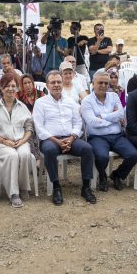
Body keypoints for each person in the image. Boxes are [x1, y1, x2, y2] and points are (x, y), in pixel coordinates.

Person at [33, 70, 96, 205]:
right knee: (49, 151)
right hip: (50, 140)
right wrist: (57, 141)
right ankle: (56, 187)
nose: (56, 85)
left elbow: (77, 122)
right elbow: (39, 127)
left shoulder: (70, 101)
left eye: (58, 82)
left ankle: (86, 187)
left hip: (70, 138)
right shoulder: (40, 103)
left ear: (62, 83)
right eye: (53, 82)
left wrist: (72, 138)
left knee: (87, 149)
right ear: (47, 85)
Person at [81, 72, 137, 191]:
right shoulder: (87, 101)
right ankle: (102, 176)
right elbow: (92, 122)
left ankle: (117, 175)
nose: (103, 85)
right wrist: (112, 118)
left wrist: (102, 116)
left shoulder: (113, 96)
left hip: (117, 136)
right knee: (102, 157)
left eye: (106, 83)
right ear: (93, 84)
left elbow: (120, 115)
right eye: (100, 83)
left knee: (133, 155)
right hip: (97, 137)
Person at [0, 74, 34, 207]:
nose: (10, 89)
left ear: (18, 88)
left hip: (20, 141)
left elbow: (29, 127)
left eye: (13, 86)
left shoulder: (22, 107)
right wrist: (4, 141)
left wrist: (24, 140)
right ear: (1, 88)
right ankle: (13, 193)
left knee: (24, 154)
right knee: (12, 156)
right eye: (7, 86)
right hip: (1, 143)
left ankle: (23, 186)